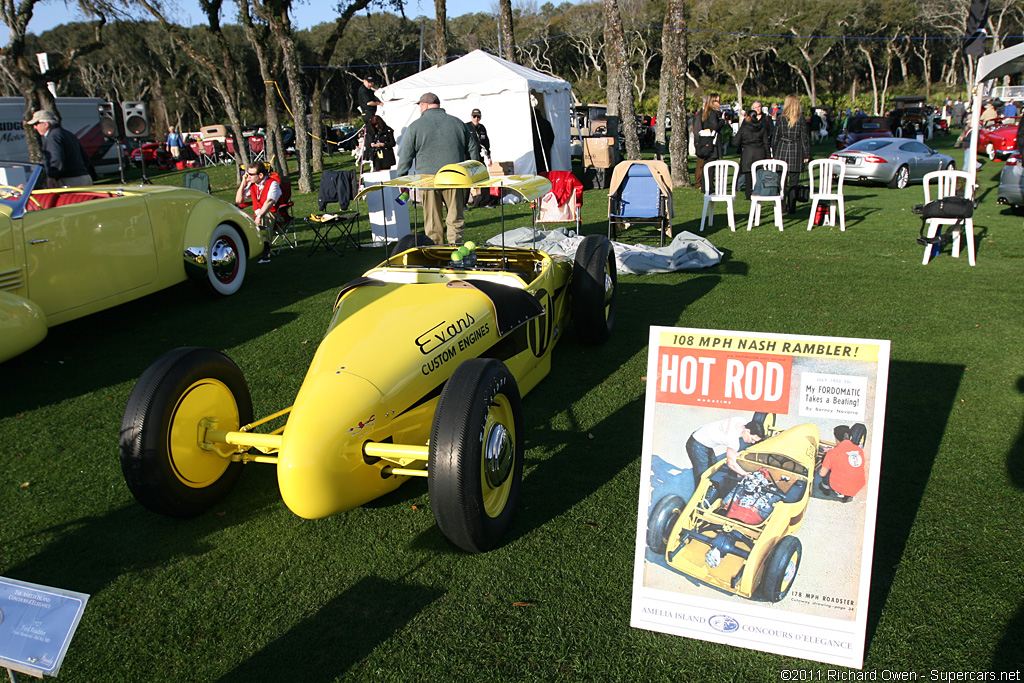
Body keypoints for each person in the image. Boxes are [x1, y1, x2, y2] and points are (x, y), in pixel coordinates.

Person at [396, 92, 479, 246]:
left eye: (420, 106)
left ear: (424, 105)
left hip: (428, 180)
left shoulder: (415, 127)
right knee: (455, 218)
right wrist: (473, 173)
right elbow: (473, 149)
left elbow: (405, 155)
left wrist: (401, 178)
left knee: (432, 221)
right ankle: (456, 248)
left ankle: (436, 252)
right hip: (454, 178)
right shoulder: (458, 123)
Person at [685, 416, 765, 488]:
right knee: (702, 476)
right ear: (747, 431)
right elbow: (731, 464)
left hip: (702, 435)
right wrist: (745, 474)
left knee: (713, 466)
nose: (753, 442)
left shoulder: (740, 420)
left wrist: (734, 453)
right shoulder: (733, 441)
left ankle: (712, 487)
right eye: (753, 439)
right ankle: (699, 497)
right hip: (697, 444)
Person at [25, 110, 91, 187]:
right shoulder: (67, 134)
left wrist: (51, 176)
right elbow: (85, 157)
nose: (35, 127)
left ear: (46, 124)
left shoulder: (53, 137)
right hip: (84, 178)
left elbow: (56, 160)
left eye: (36, 123)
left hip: (69, 181)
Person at [770, 94, 811, 214]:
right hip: (796, 151)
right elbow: (805, 139)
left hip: (782, 150)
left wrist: (774, 151)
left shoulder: (780, 118)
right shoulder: (801, 119)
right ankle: (792, 207)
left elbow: (775, 137)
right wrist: (806, 154)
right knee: (794, 181)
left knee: (781, 181)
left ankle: (782, 206)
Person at [235, 162, 281, 263]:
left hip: (275, 214)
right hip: (258, 216)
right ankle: (242, 247)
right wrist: (243, 183)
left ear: (260, 175)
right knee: (237, 214)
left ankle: (265, 250)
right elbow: (238, 200)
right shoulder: (252, 185)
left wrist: (259, 216)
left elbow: (270, 201)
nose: (248, 176)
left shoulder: (273, 183)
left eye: (251, 174)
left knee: (265, 215)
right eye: (247, 174)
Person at [818, 426, 867, 502]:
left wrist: (827, 455)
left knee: (826, 466)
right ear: (850, 437)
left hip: (839, 486)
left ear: (835, 437)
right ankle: (848, 495)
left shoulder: (832, 453)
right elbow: (845, 455)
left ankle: (825, 488)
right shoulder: (859, 450)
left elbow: (822, 473)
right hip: (859, 485)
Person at [734, 110, 771, 199]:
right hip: (760, 152)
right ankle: (759, 191)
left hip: (748, 152)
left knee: (748, 175)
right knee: (759, 174)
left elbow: (736, 142)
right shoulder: (762, 128)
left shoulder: (744, 128)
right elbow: (766, 143)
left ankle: (748, 194)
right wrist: (768, 156)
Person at [692, 93, 724, 192]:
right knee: (710, 166)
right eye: (717, 101)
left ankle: (706, 187)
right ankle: (709, 187)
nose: (719, 103)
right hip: (711, 143)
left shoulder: (708, 112)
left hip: (707, 142)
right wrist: (722, 121)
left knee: (707, 166)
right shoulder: (713, 113)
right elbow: (715, 126)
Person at [531, 97, 555, 174]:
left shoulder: (530, 124)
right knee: (544, 167)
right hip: (545, 148)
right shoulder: (546, 123)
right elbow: (551, 136)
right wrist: (547, 145)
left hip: (534, 149)